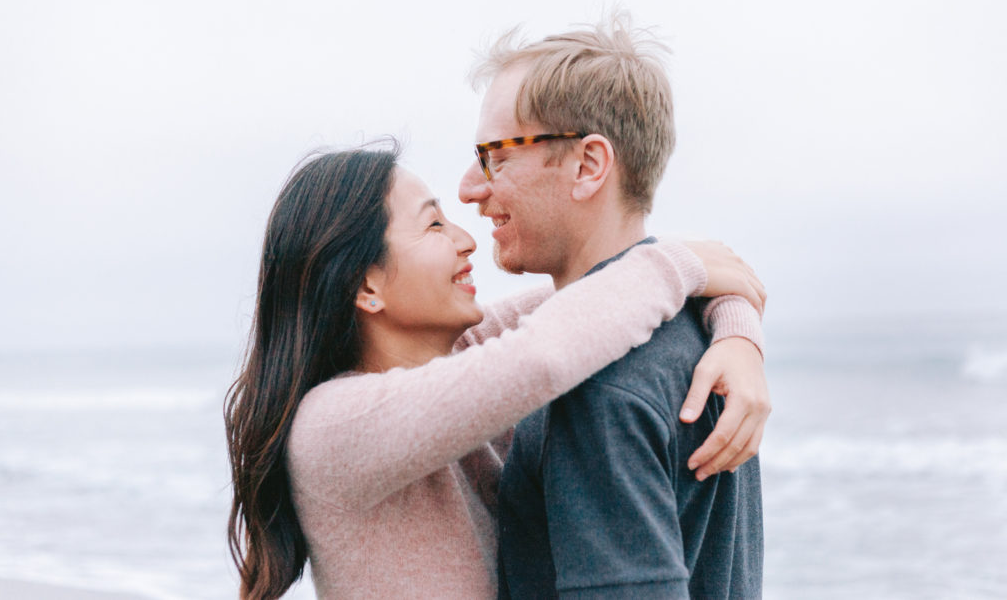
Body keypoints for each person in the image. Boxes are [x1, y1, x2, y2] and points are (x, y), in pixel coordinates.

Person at [224, 144, 766, 599]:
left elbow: (638, 285)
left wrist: (738, 336)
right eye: (434, 225)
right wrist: (684, 272)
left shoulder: (465, 355)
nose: (465, 240)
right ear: (367, 287)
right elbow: (549, 352)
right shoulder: (332, 426)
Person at [457, 13, 767, 598]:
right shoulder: (695, 335)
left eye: (494, 155)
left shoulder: (595, 382)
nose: (470, 187)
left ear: (588, 165)